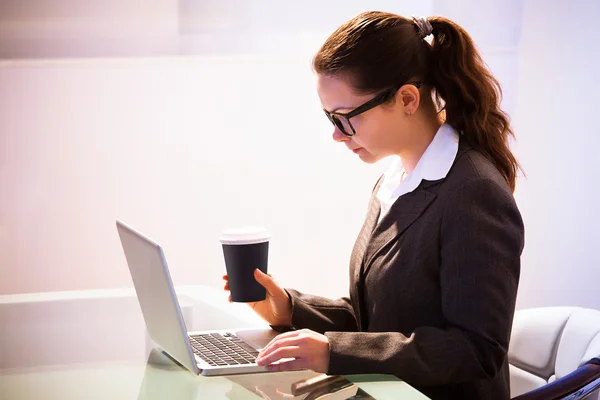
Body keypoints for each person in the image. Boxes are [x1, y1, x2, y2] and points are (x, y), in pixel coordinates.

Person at [223, 11, 524, 400]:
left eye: (345, 118)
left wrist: (334, 352)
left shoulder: (473, 193)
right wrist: (289, 309)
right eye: (329, 117)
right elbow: (375, 316)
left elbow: (476, 351)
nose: (336, 134)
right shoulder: (395, 181)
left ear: (407, 99)